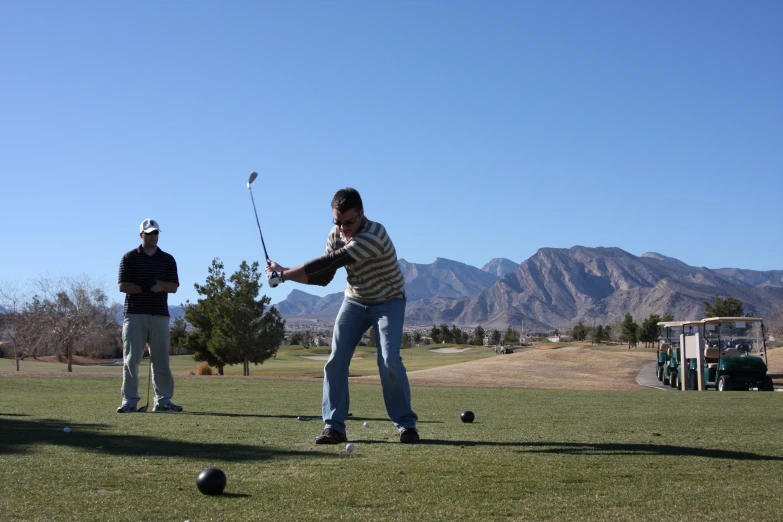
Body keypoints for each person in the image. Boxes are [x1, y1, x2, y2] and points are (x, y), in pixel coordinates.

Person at [266, 188, 419, 444]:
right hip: (355, 300)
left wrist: (284, 274)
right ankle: (334, 427)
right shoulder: (336, 233)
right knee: (336, 359)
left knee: (389, 359)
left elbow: (330, 262)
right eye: (337, 222)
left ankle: (406, 425)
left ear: (361, 213)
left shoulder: (374, 234)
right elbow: (324, 278)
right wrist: (284, 273)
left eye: (349, 222)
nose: (343, 228)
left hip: (388, 301)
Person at [117, 218, 182, 413]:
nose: (153, 237)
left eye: (156, 233)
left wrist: (161, 286)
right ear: (141, 235)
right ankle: (129, 401)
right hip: (135, 314)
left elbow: (174, 287)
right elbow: (123, 285)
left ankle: (163, 401)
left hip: (160, 314)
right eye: (149, 233)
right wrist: (146, 288)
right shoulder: (129, 258)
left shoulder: (167, 259)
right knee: (131, 359)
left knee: (161, 359)